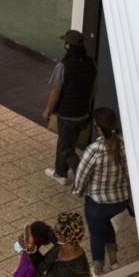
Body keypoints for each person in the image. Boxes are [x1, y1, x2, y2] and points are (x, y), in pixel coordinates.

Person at [72, 107, 131, 276]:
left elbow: (82, 175)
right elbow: (128, 172)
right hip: (119, 201)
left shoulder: (94, 149)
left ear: (98, 127)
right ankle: (113, 261)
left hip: (98, 203)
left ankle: (98, 268)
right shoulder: (122, 144)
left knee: (96, 232)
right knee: (105, 224)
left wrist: (78, 191)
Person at [43, 30, 96, 185]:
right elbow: (95, 88)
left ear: (68, 45)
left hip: (67, 113)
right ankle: (60, 173)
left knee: (66, 149)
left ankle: (84, 177)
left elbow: (56, 92)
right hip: (83, 111)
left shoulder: (63, 66)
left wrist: (48, 110)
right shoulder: (90, 62)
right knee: (66, 142)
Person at [31, 212, 92, 277]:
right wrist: (32, 250)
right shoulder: (59, 248)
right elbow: (43, 266)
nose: (54, 234)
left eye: (57, 232)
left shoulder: (79, 273)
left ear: (67, 238)